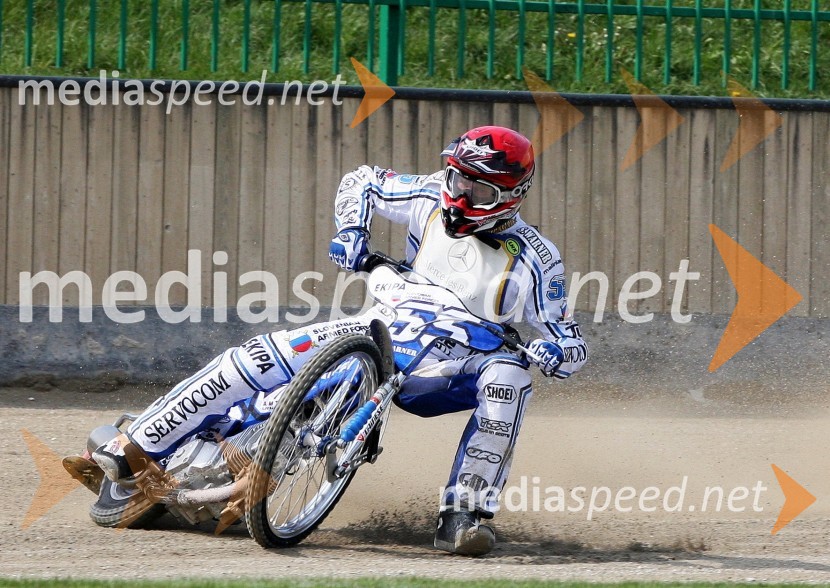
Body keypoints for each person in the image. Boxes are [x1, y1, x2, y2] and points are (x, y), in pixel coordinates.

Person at [93, 126, 588, 556]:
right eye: (457, 178)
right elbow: (364, 180)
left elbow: (572, 343)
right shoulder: (430, 195)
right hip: (381, 329)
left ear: (511, 195)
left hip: (449, 367)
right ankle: (136, 446)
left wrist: (553, 352)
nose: (459, 195)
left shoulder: (538, 259)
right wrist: (352, 229)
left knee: (511, 376)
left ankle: (464, 516)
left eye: (477, 190)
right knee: (258, 353)